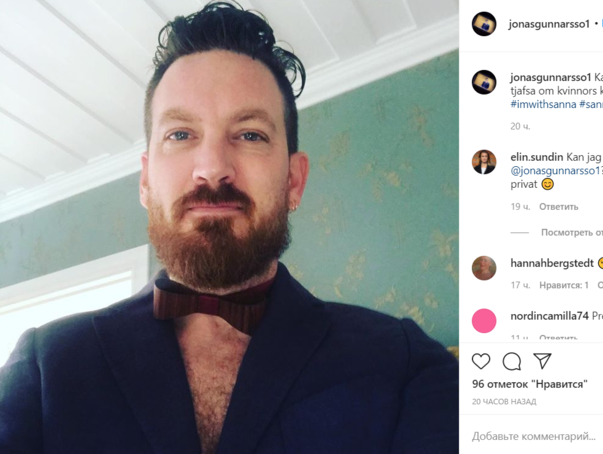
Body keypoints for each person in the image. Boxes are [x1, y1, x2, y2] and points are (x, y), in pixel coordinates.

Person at [0, 3, 457, 454]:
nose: (213, 167)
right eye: (180, 134)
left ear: (294, 181)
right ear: (145, 181)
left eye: (250, 134)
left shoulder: (406, 363)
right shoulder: (44, 367)